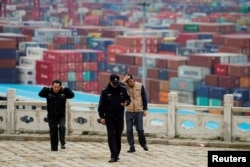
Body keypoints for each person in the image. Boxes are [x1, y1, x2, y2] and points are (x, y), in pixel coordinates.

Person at [98, 73, 131, 163]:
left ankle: (117, 154)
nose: (115, 85)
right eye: (114, 83)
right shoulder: (105, 91)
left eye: (117, 83)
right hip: (109, 117)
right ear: (110, 81)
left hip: (119, 116)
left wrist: (126, 103)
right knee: (111, 136)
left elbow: (128, 99)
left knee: (118, 136)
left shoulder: (123, 89)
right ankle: (113, 155)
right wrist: (102, 117)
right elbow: (101, 106)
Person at [38, 80, 75, 151]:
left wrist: (66, 89)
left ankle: (62, 143)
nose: (56, 89)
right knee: (53, 132)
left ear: (60, 87)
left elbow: (72, 95)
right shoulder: (48, 92)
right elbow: (40, 94)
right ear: (52, 86)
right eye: (54, 87)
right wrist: (46, 88)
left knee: (62, 127)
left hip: (61, 115)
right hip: (51, 115)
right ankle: (54, 148)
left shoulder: (64, 92)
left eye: (58, 87)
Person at [122, 74, 149, 153]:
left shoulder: (140, 86)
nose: (130, 83)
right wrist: (123, 81)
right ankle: (132, 146)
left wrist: (145, 109)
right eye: (128, 82)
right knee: (129, 130)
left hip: (138, 111)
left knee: (140, 129)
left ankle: (143, 144)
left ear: (133, 79)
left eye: (130, 81)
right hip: (129, 111)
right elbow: (117, 87)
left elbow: (144, 98)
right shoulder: (124, 86)